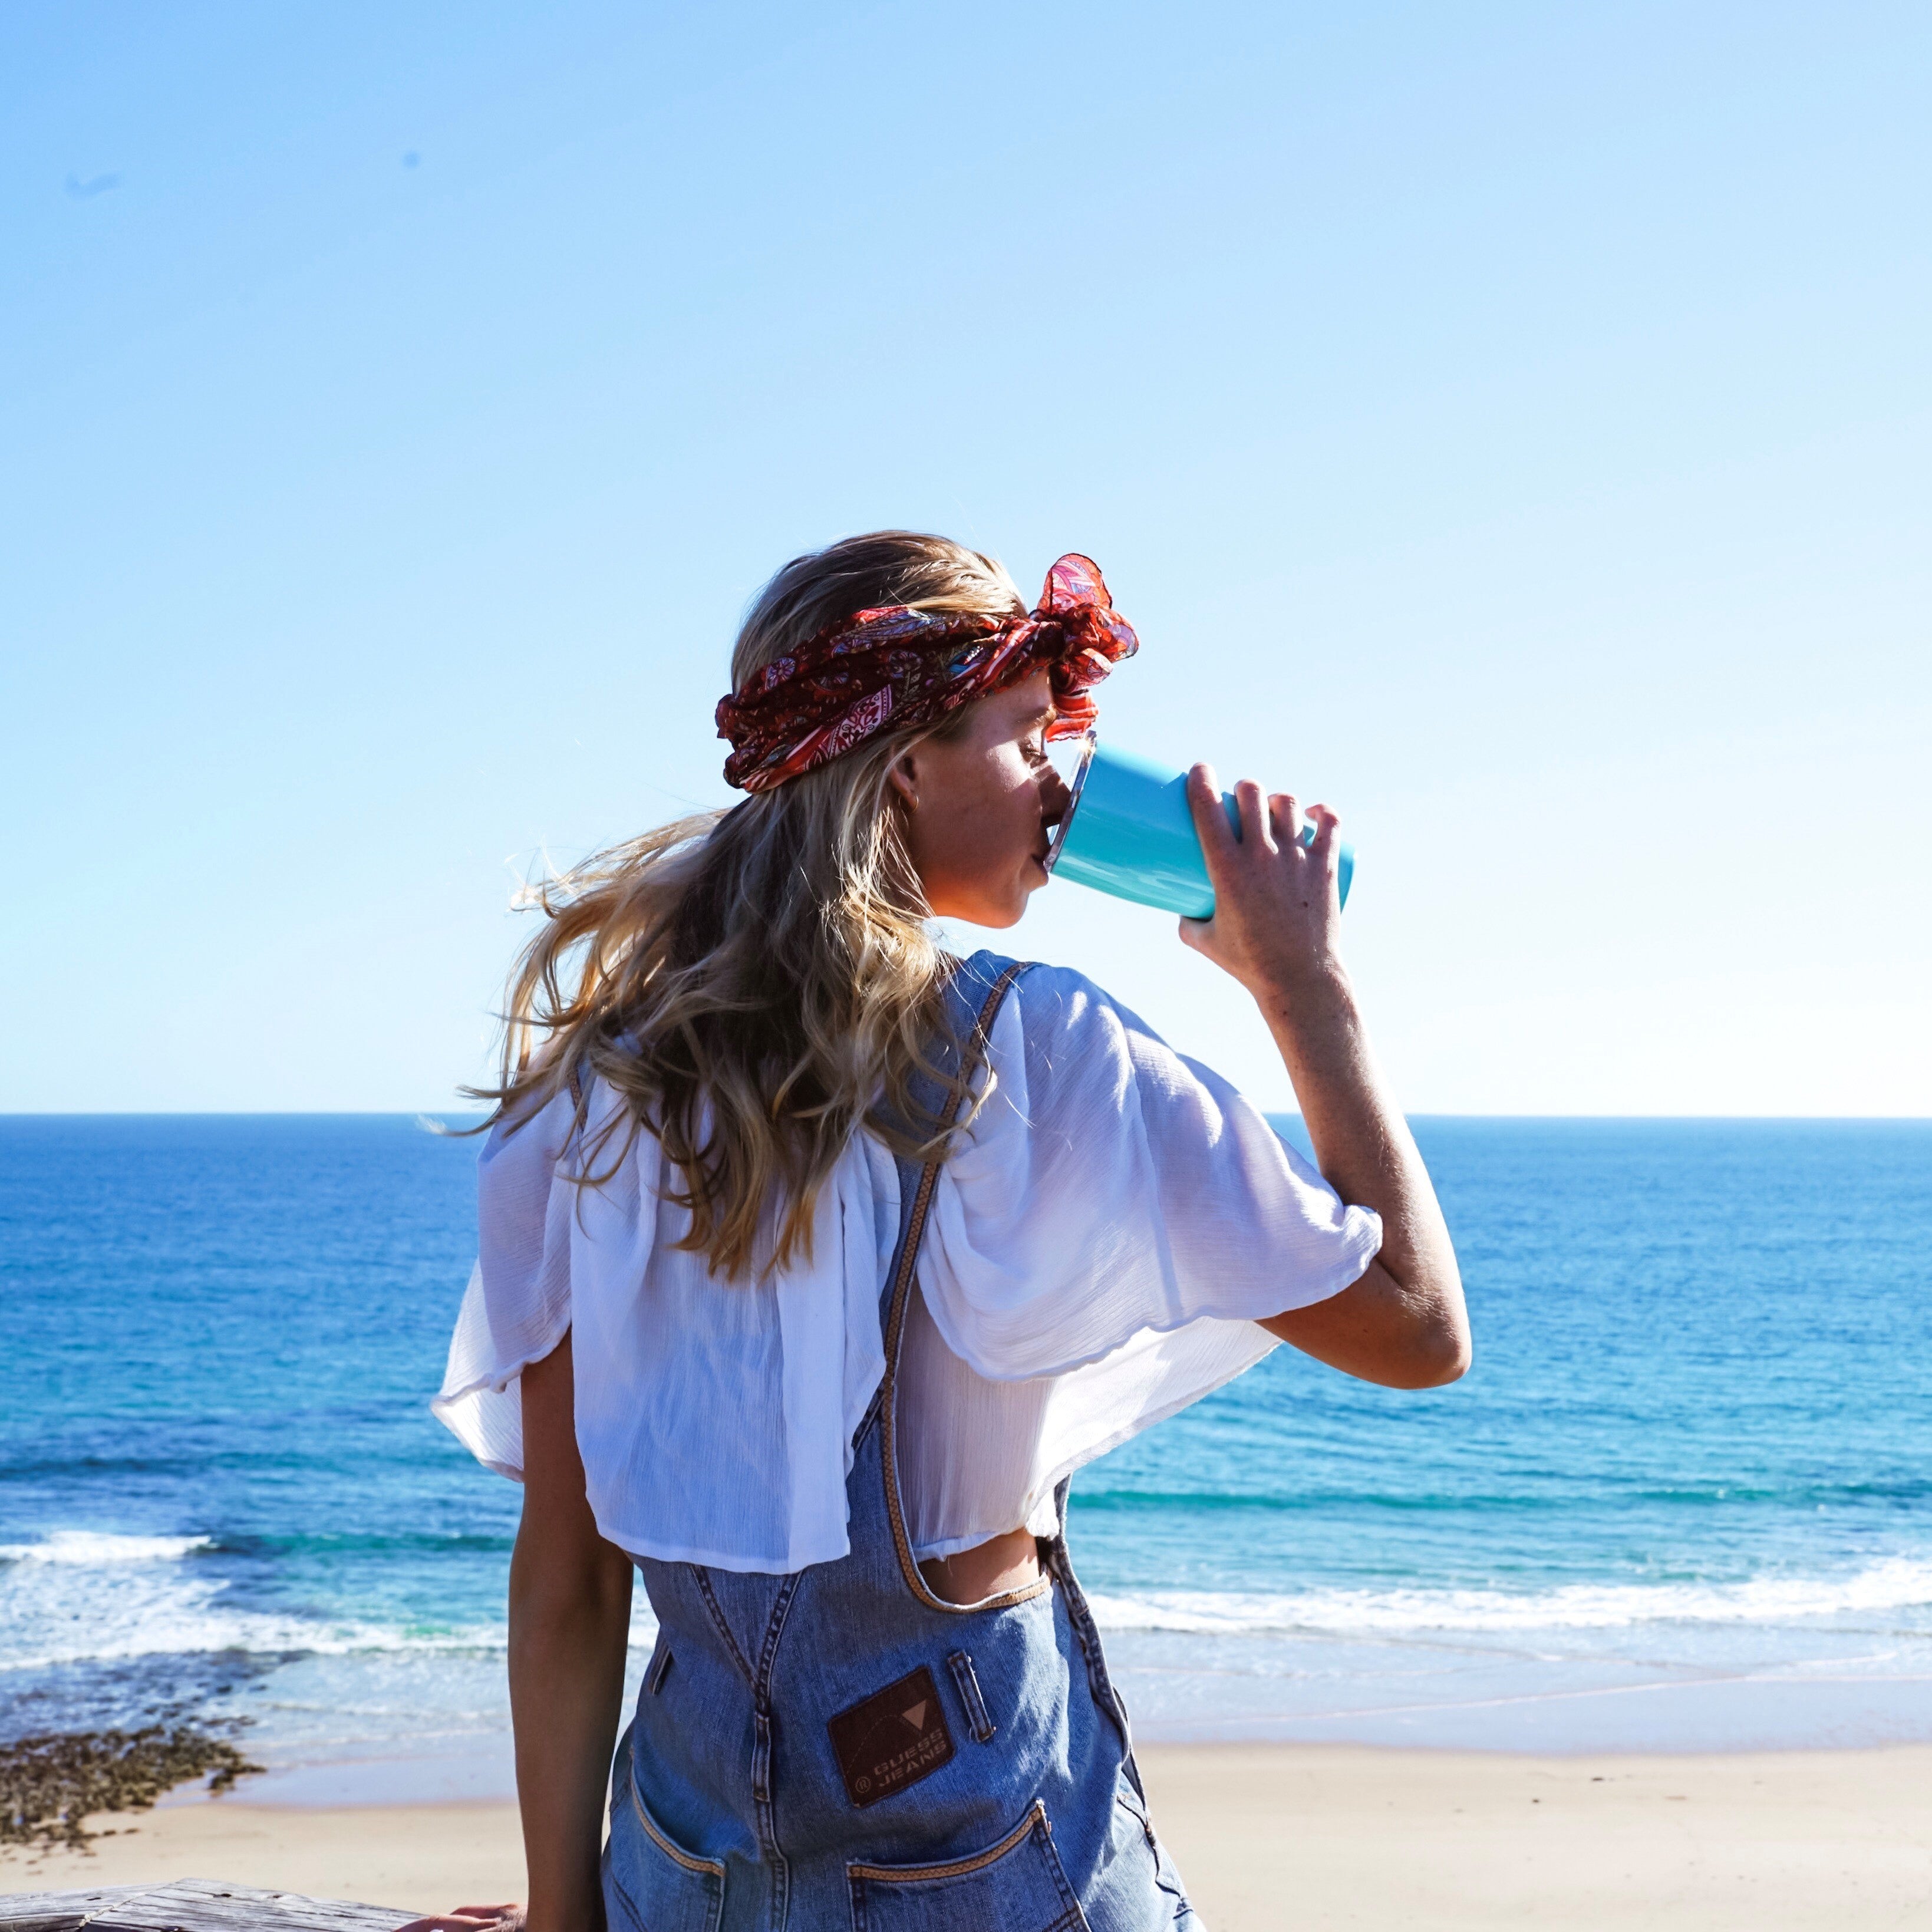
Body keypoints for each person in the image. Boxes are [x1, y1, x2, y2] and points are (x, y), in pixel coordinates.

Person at [410, 532, 1469, 1932]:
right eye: (1031, 739)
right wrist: (1304, 986)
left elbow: (566, 1570)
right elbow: (1414, 1328)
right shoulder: (1041, 1056)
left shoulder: (587, 1098)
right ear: (902, 762)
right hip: (981, 1865)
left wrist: (561, 1914)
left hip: (678, 1864)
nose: (1064, 784)